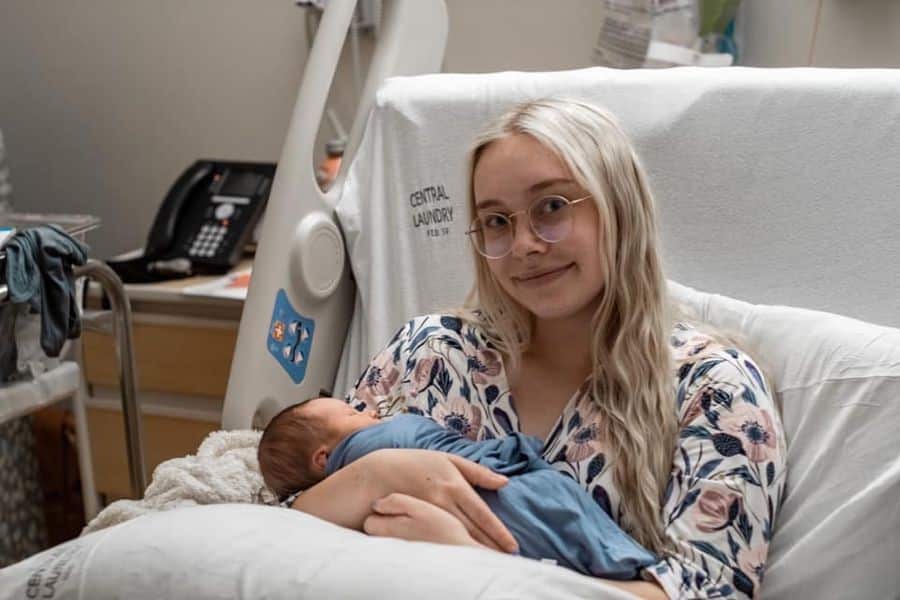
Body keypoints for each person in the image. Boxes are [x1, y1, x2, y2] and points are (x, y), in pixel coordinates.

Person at [287, 98, 787, 599]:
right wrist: (377, 475)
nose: (523, 244)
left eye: (551, 207)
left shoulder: (714, 390)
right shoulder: (428, 357)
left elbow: (707, 593)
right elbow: (288, 521)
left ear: (619, 206)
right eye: (498, 222)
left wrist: (478, 567)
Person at [258, 396, 658, 579]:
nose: (371, 408)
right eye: (353, 411)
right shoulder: (372, 440)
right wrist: (372, 474)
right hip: (509, 500)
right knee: (551, 509)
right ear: (324, 460)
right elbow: (285, 522)